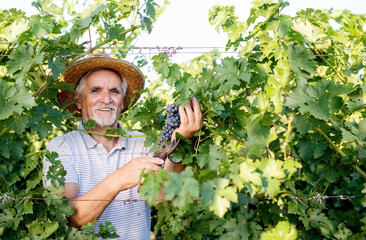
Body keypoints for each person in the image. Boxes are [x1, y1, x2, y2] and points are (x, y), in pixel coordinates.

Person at [43, 53, 202, 239]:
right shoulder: (62, 147)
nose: (106, 99)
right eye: (95, 90)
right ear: (78, 100)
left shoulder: (142, 143)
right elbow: (66, 220)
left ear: (122, 101)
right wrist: (119, 179)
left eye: (115, 91)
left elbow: (165, 198)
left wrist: (178, 142)